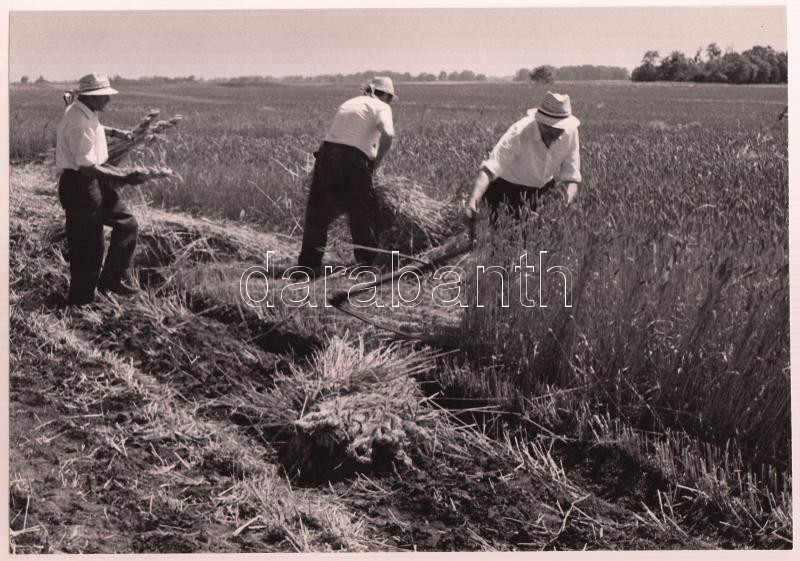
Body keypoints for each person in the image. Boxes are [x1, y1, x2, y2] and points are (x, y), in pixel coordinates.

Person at [55, 72, 146, 305]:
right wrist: (124, 176)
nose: (108, 100)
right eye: (104, 96)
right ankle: (80, 304)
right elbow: (86, 166)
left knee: (127, 223)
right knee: (89, 248)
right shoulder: (77, 122)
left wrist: (117, 133)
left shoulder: (85, 111)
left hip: (93, 182)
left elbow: (95, 127)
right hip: (80, 185)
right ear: (91, 97)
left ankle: (112, 280)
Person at [296, 76, 396, 276]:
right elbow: (389, 134)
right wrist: (375, 164)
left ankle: (307, 266)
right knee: (363, 212)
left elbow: (343, 135)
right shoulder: (381, 107)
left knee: (317, 214)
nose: (389, 102)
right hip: (352, 159)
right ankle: (366, 266)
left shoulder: (349, 103)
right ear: (383, 94)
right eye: (390, 98)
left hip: (326, 155)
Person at [465, 91, 581, 223]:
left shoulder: (571, 132)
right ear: (539, 122)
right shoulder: (519, 132)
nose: (553, 133)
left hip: (542, 192)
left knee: (537, 238)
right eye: (549, 129)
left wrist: (566, 202)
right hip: (506, 191)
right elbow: (490, 169)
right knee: (505, 237)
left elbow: (572, 177)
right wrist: (472, 203)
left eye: (559, 129)